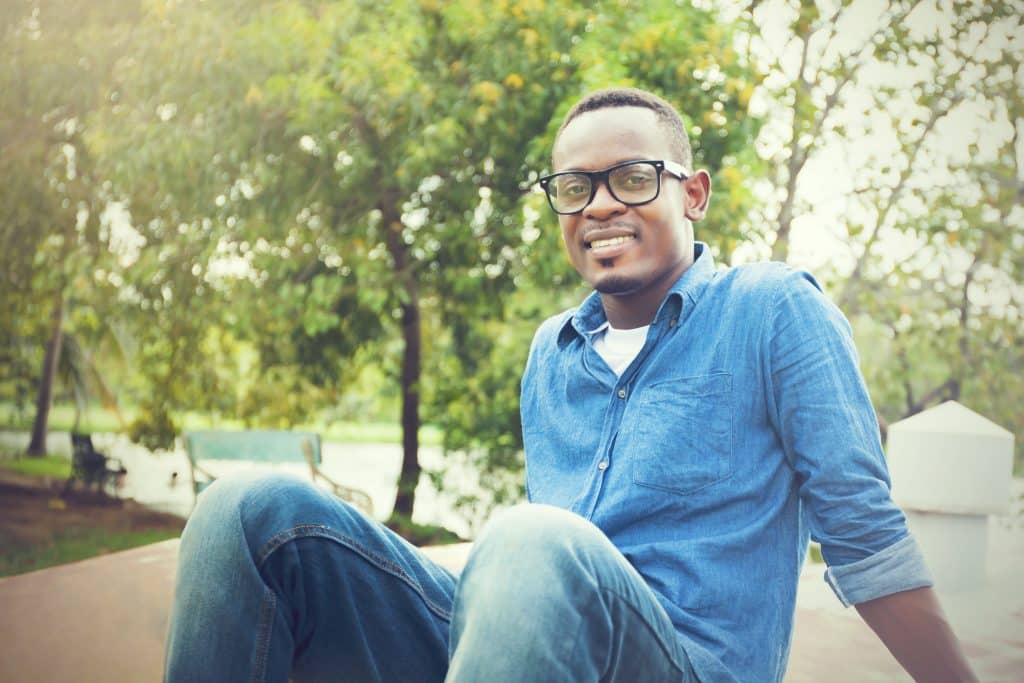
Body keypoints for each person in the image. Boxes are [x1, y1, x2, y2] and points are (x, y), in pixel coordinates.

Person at [164, 87, 977, 682]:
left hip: (683, 663)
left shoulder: (771, 311)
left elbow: (865, 537)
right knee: (246, 510)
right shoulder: (551, 351)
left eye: (631, 178)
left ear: (691, 192)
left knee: (529, 539)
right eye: (575, 187)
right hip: (541, 631)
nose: (599, 207)